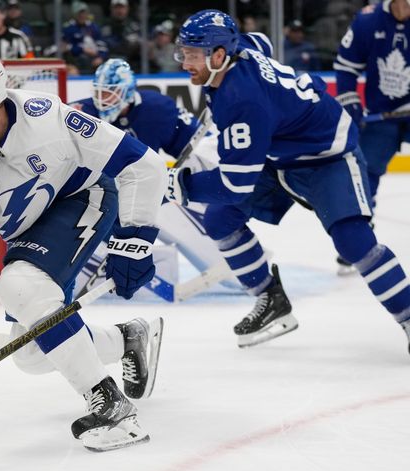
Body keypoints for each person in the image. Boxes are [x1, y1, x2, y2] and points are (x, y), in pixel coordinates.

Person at [0, 46, 167, 450]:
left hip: (82, 198)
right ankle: (128, 338)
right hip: (29, 230)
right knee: (34, 354)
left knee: (19, 285)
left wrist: (135, 239)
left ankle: (115, 411)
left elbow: (144, 166)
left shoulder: (50, 119)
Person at [168, 9, 410, 351]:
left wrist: (183, 186)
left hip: (328, 155)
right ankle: (271, 300)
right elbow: (261, 42)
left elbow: (235, 185)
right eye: (184, 53)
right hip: (280, 153)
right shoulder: (240, 52)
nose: (184, 62)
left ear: (219, 55)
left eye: (192, 55)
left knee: (353, 240)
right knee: (221, 219)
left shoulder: (243, 102)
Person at [70, 58, 232, 293]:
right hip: (93, 198)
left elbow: (195, 148)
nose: (102, 100)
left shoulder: (156, 109)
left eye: (110, 94)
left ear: (127, 92)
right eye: (99, 93)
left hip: (140, 195)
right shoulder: (79, 113)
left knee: (178, 203)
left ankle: (229, 265)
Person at [334, 1, 410, 260]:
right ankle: (358, 236)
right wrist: (350, 99)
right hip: (383, 113)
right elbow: (346, 66)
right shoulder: (368, 21)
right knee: (366, 171)